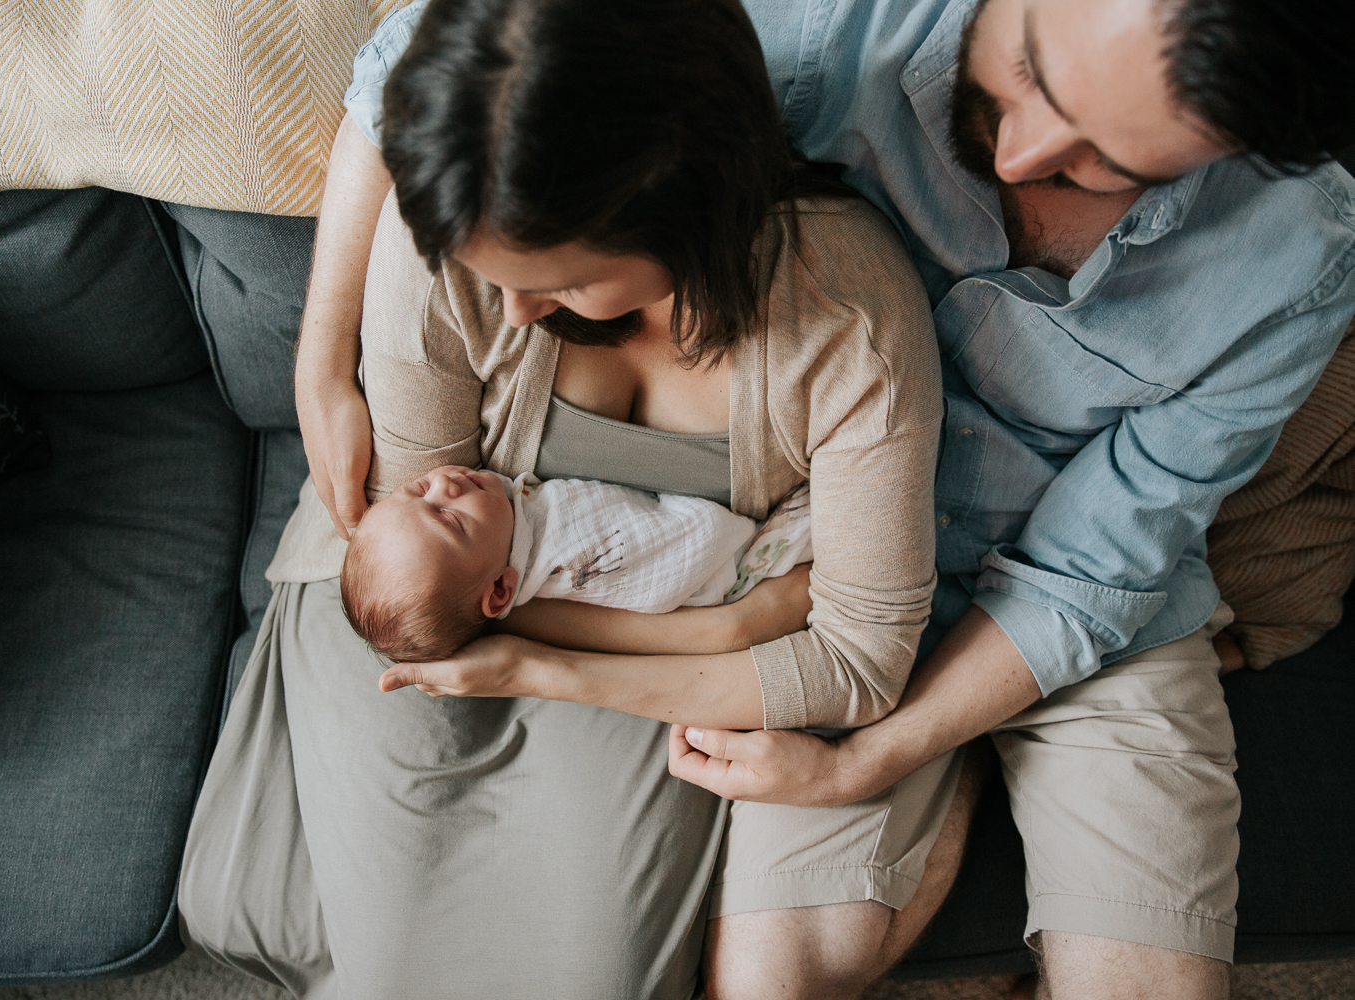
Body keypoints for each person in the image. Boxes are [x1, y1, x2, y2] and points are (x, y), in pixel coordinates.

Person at [288, 0, 1355, 996]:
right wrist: (322, 349)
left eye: (1108, 162)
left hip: (1069, 612)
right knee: (771, 973)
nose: (1023, 155)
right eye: (1028, 70)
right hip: (819, 557)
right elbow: (439, 63)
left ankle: (962, 771)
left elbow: (1097, 571)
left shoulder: (1297, 257)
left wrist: (888, 748)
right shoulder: (828, 28)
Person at [178, 1, 945, 998]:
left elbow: (855, 664)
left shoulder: (849, 321)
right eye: (498, 280)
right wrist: (729, 624)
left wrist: (550, 661)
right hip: (431, 588)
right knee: (284, 908)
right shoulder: (455, 236)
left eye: (566, 282)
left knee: (582, 972)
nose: (519, 313)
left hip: (653, 627)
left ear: (687, 207)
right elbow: (425, 511)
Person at [328, 463, 813, 663]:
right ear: (500, 591)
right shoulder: (560, 548)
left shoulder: (505, 516)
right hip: (732, 569)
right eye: (451, 521)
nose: (445, 486)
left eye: (417, 489)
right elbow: (674, 545)